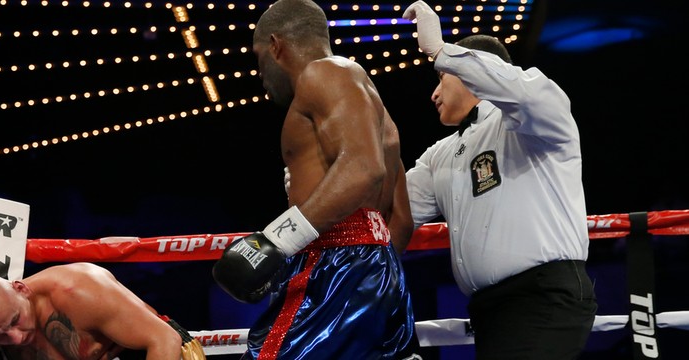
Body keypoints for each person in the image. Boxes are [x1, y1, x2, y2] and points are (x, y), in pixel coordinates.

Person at [211, 0, 419, 359]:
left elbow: (363, 170)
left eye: (260, 61)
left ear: (276, 46)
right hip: (376, 267)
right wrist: (370, 275)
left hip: (333, 262)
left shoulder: (325, 73)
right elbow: (400, 220)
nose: (261, 77)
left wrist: (277, 241)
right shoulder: (373, 107)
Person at [400, 1, 598, 359]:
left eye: (442, 77)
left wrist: (443, 52)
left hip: (542, 296)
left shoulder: (532, 118)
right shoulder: (439, 155)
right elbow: (393, 210)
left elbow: (521, 92)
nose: (434, 92)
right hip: (490, 310)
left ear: (470, 70)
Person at [0, 262, 205, 360]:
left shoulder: (78, 292)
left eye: (15, 320)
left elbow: (163, 339)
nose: (16, 337)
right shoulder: (0, 320)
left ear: (21, 288)